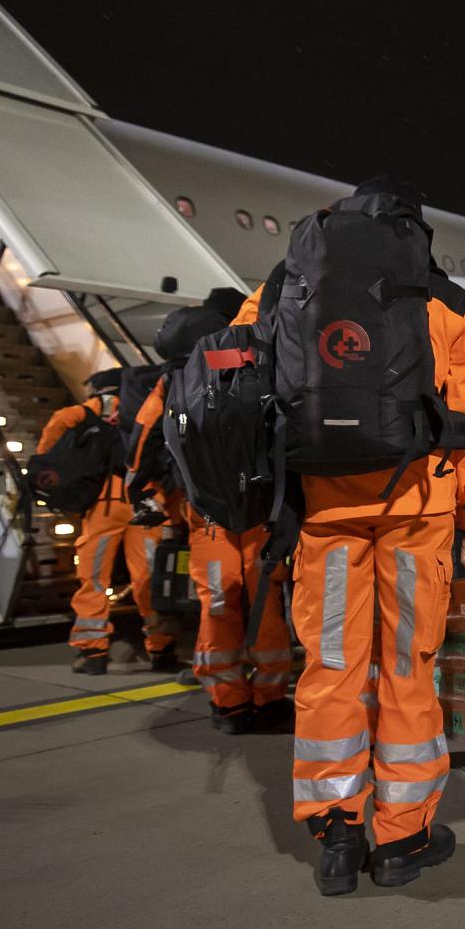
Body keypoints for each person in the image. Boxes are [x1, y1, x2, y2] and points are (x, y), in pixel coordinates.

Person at [233, 179, 465, 894]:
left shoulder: (287, 284)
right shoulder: (446, 300)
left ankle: (337, 835)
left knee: (331, 664)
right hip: (416, 506)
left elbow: (242, 375)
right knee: (408, 668)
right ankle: (403, 837)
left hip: (324, 508)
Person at [127, 288, 290, 734]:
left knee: (218, 601)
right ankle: (271, 698)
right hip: (258, 507)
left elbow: (143, 436)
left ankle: (228, 702)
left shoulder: (176, 376)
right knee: (264, 601)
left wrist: (138, 488)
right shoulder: (255, 358)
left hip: (208, 511)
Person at [37, 369, 179, 675]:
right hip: (146, 503)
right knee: (149, 578)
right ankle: (162, 647)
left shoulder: (97, 408)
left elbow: (61, 420)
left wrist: (43, 461)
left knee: (94, 578)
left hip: (106, 505)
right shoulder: (146, 403)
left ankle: (93, 652)